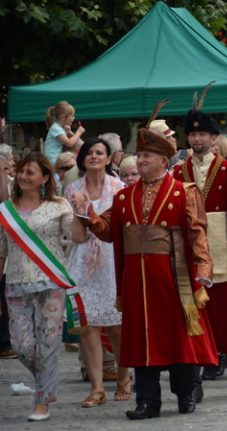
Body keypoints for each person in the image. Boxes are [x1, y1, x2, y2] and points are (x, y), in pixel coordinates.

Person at [73, 112, 218, 420]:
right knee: (140, 339)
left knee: (179, 337)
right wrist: (88, 214)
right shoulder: (124, 197)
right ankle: (147, 402)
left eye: (147, 156)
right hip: (136, 283)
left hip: (172, 277)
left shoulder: (184, 192)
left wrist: (203, 271)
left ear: (164, 160)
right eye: (139, 155)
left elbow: (197, 234)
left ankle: (186, 393)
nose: (140, 161)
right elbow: (108, 232)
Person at [172, 102, 227, 397]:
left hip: (224, 252)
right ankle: (194, 383)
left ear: (213, 138)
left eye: (203, 135)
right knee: (194, 318)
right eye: (192, 135)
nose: (197, 140)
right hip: (189, 253)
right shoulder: (178, 171)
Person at [0, 154, 73, 422]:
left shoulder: (58, 205)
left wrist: (81, 213)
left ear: (44, 178)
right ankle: (47, 379)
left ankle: (42, 402)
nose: (23, 177)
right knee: (21, 344)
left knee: (49, 341)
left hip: (50, 281)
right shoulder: (6, 210)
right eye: (21, 172)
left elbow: (74, 236)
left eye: (30, 173)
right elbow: (1, 250)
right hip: (16, 282)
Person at [66, 138, 130, 407]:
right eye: (89, 153)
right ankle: (96, 388)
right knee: (88, 327)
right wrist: (81, 211)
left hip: (111, 258)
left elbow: (122, 232)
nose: (94, 156)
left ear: (108, 158)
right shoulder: (72, 189)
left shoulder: (120, 188)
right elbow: (77, 237)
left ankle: (124, 380)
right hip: (82, 261)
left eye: (99, 153)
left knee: (117, 325)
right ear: (82, 158)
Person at [44, 101, 85, 165]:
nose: (74, 118)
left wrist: (70, 132)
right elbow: (69, 143)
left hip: (56, 161)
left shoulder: (60, 129)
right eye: (72, 116)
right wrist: (78, 132)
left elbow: (75, 141)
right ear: (63, 117)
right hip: (52, 161)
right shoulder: (56, 128)